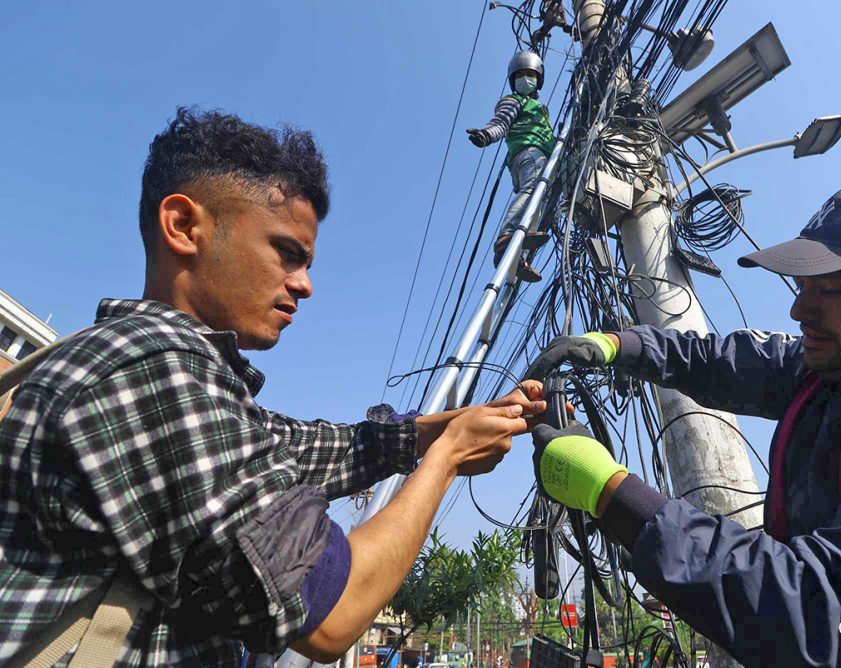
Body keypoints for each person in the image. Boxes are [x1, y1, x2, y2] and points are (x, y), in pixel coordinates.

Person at [0, 107, 548, 666]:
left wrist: (436, 431)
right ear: (184, 227)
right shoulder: (149, 370)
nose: (305, 286)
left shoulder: (176, 378)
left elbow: (309, 447)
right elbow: (331, 612)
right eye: (287, 253)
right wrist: (449, 458)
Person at [526, 176, 841, 667]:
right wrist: (618, 345)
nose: (798, 309)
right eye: (800, 285)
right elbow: (718, 359)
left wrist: (612, 493)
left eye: (831, 288)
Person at [466, 51, 556, 283]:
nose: (525, 79)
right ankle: (508, 235)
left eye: (530, 75)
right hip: (529, 153)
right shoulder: (514, 101)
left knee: (539, 202)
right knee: (533, 190)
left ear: (538, 80)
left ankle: (518, 255)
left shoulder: (538, 107)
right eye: (520, 76)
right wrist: (485, 135)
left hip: (534, 157)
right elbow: (500, 123)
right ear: (513, 81)